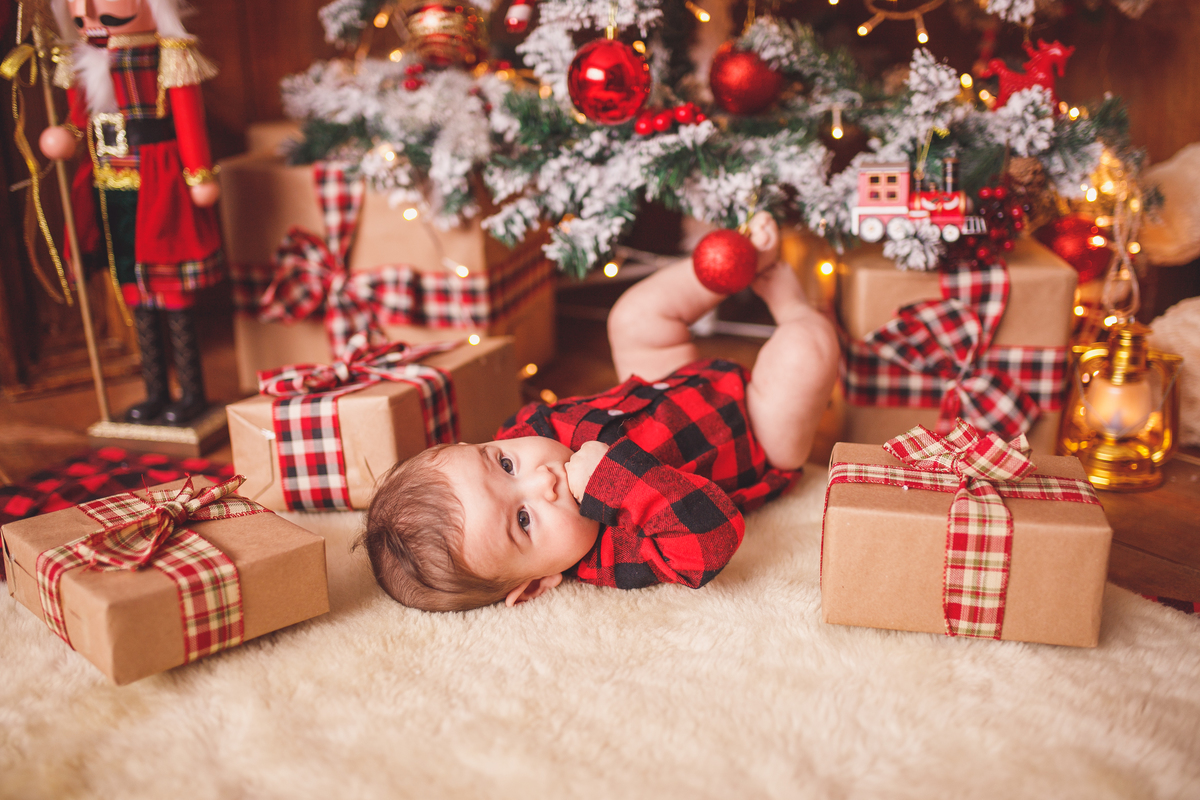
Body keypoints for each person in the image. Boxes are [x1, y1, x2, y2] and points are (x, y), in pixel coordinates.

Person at [358, 213, 839, 611]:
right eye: (524, 520)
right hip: (754, 432)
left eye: (504, 464)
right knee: (805, 347)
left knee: (632, 318)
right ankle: (791, 303)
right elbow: (714, 539)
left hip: (666, 385)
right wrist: (617, 482)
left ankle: (731, 264)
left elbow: (600, 407)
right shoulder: (613, 555)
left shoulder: (524, 433)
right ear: (535, 584)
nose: (541, 479)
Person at [39, 0, 223, 426]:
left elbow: (188, 118)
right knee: (133, 289)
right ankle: (155, 391)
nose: (86, 9)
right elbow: (76, 122)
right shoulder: (81, 61)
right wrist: (63, 136)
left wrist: (198, 171)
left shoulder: (167, 56)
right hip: (107, 186)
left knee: (170, 284)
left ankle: (191, 393)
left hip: (160, 181)